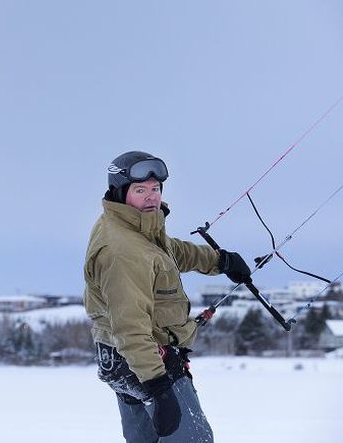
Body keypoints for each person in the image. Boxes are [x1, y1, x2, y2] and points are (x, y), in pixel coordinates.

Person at [83, 151, 251, 442]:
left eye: (155, 189)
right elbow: (130, 327)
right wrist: (158, 386)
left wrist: (218, 261)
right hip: (145, 361)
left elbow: (165, 253)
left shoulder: (129, 227)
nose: (151, 197)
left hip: (121, 360)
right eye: (140, 190)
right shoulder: (123, 251)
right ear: (121, 192)